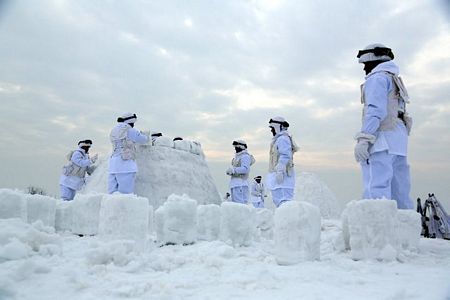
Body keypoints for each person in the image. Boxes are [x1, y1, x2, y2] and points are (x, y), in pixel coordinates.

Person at [354, 43, 413, 209]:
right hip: (398, 141)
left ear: (373, 61)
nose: (365, 69)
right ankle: (403, 230)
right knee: (400, 189)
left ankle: (377, 231)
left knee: (376, 188)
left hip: (382, 140)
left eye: (365, 65)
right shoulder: (394, 79)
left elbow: (375, 111)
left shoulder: (377, 79)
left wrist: (364, 138)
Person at [108, 113, 149, 194]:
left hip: (113, 165)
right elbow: (143, 139)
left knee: (112, 193)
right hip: (125, 165)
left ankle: (111, 207)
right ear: (130, 121)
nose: (133, 125)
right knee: (125, 193)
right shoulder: (130, 130)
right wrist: (147, 136)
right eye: (133, 123)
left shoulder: (113, 129)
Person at [267, 117, 298, 207]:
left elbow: (285, 155)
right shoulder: (278, 139)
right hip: (278, 177)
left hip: (283, 178)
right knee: (279, 202)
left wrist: (280, 169)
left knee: (284, 203)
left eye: (272, 128)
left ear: (278, 127)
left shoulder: (283, 139)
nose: (271, 130)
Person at [226, 140, 254, 204]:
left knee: (241, 204)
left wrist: (233, 170)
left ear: (241, 147)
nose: (235, 148)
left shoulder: (245, 156)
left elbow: (245, 169)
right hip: (235, 184)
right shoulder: (237, 157)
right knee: (236, 204)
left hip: (241, 184)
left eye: (236, 147)